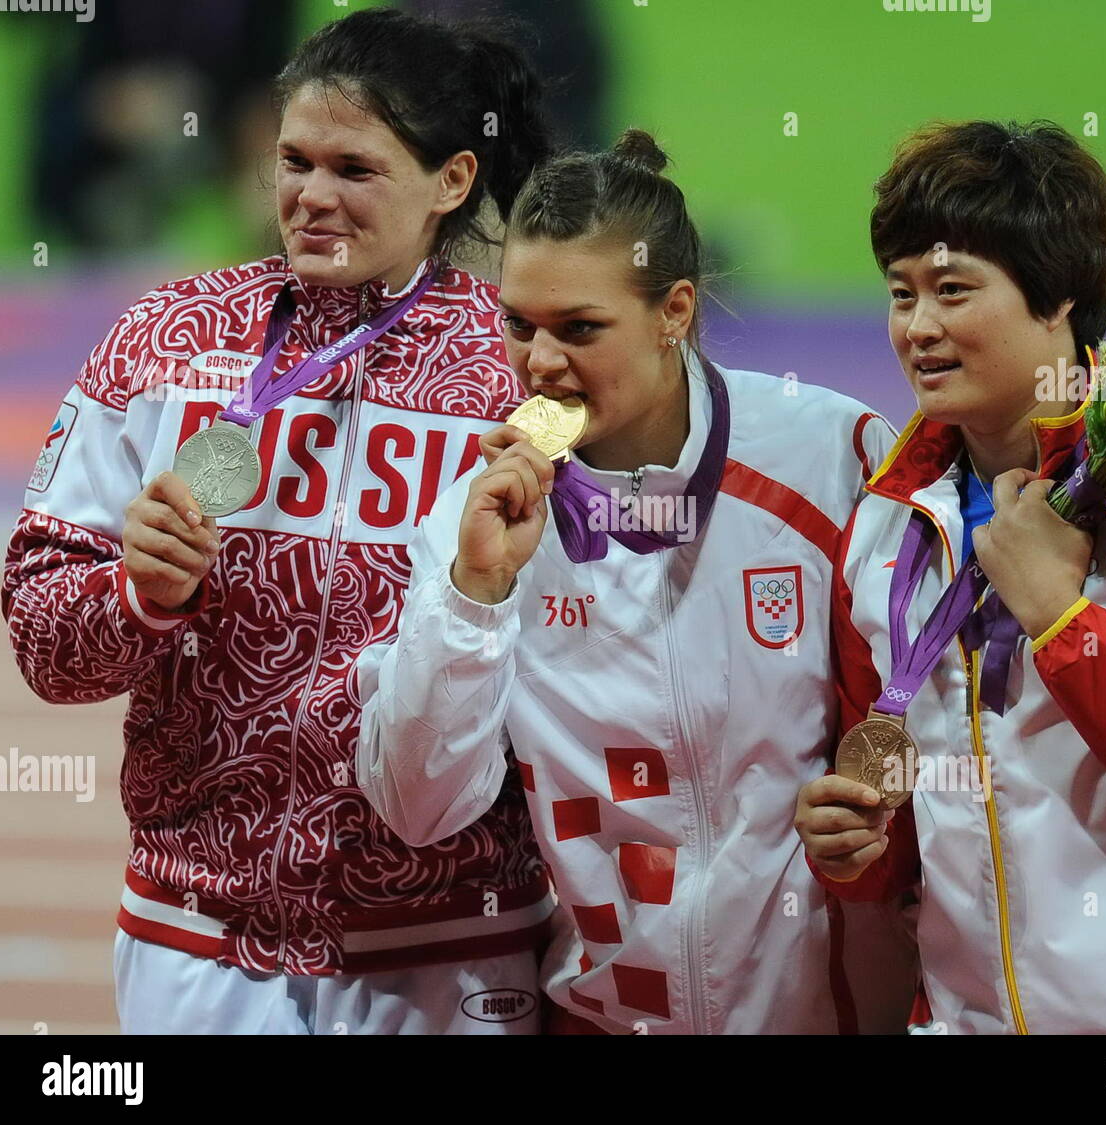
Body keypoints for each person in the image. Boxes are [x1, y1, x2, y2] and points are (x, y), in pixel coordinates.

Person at [2, 8, 555, 1035]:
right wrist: (137, 594)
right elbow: (44, 644)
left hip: (448, 943)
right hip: (196, 934)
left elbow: (593, 648)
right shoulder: (164, 341)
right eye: (293, 161)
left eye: (355, 167)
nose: (310, 196)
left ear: (453, 181)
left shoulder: (521, 375)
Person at [356, 129, 916, 1035]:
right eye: (519, 324)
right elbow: (418, 806)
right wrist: (475, 593)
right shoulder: (477, 520)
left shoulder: (828, 458)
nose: (540, 363)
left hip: (833, 1012)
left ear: (674, 311)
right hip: (605, 1021)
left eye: (580, 328)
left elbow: (923, 705)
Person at [795, 120, 1106, 1034]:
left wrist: (1061, 621)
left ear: (1059, 296)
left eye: (953, 290)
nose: (919, 327)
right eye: (901, 293)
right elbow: (899, 843)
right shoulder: (884, 523)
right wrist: (853, 842)